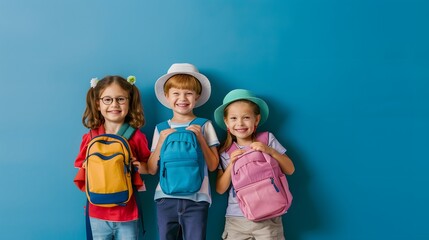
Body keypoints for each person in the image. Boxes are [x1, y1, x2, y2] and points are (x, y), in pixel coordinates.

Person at [147, 63, 220, 240]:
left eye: (188, 93)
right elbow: (151, 169)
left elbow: (213, 166)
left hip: (197, 198)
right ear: (167, 96)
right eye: (176, 93)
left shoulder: (204, 125)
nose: (183, 98)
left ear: (197, 96)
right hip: (165, 198)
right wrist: (162, 139)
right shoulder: (161, 129)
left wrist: (200, 138)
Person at [74, 75, 150, 239]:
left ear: (129, 102)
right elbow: (81, 169)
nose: (114, 105)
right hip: (97, 212)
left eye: (120, 99)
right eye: (107, 99)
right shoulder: (90, 137)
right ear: (97, 103)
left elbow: (149, 168)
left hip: (128, 212)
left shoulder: (137, 136)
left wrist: (139, 166)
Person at [214, 89, 295, 240]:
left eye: (246, 117)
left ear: (256, 120)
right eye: (233, 118)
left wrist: (270, 151)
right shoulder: (224, 152)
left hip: (269, 215)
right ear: (226, 122)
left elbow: (290, 169)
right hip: (236, 219)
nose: (240, 123)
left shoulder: (267, 139)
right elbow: (220, 189)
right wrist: (232, 164)